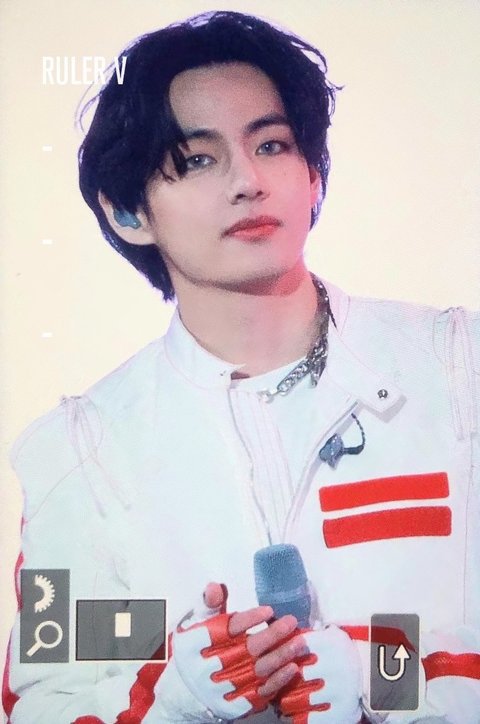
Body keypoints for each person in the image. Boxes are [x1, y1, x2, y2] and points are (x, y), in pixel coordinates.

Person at [2, 9, 479, 724]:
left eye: (272, 144)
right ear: (129, 211)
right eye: (197, 159)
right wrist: (169, 700)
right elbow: (49, 695)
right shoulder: (86, 455)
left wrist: (383, 676)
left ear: (312, 175)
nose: (248, 180)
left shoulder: (456, 373)